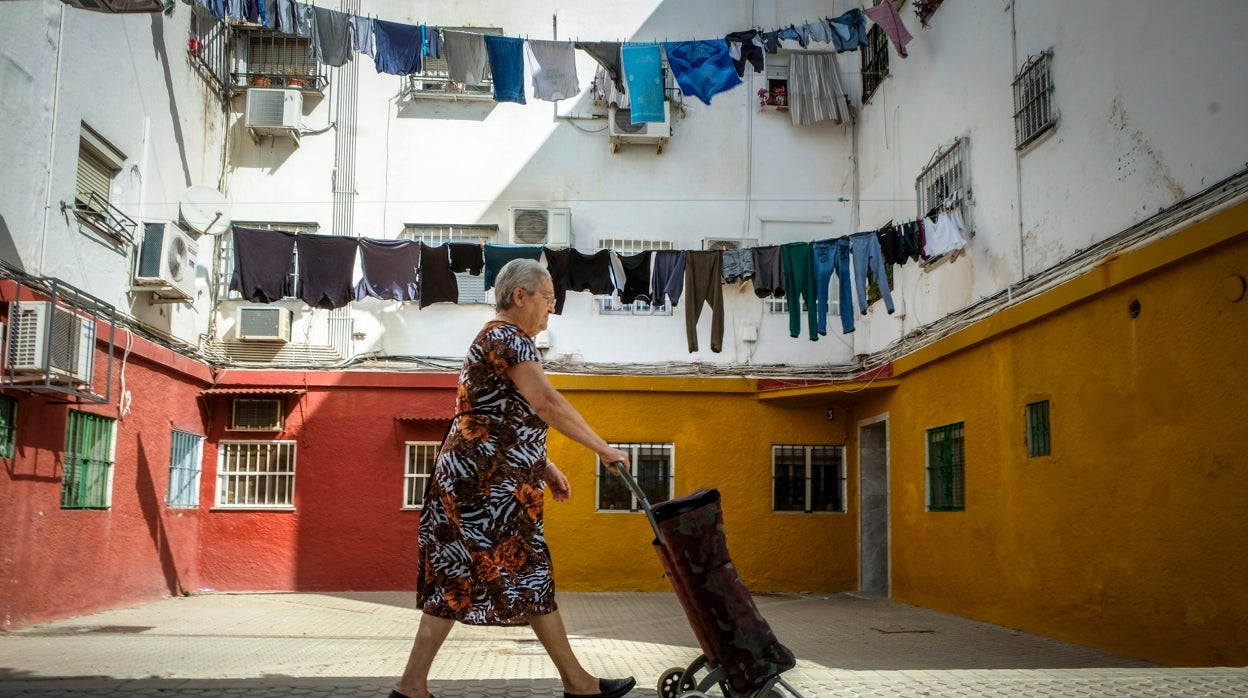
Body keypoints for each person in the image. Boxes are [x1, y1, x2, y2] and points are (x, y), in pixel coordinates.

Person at [392, 258, 636, 698]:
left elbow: (493, 417)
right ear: (520, 296)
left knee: (454, 576)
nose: (551, 310)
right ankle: (578, 684)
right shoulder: (510, 338)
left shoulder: (493, 338)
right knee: (529, 572)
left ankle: (411, 686)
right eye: (548, 299)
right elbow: (545, 402)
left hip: (470, 479)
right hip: (488, 488)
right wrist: (603, 448)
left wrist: (544, 466)